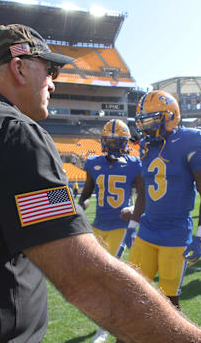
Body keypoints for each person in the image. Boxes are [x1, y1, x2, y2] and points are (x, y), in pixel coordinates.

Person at [0, 23, 201, 343]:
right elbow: (84, 274)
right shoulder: (12, 133)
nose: (53, 83)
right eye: (50, 70)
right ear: (19, 67)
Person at [121, 90, 201, 311]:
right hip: (147, 230)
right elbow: (143, 192)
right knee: (131, 293)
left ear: (171, 116)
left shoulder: (190, 140)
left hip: (175, 234)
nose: (147, 127)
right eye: (143, 122)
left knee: (169, 302)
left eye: (153, 120)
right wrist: (133, 226)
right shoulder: (146, 146)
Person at [78, 118, 144, 343]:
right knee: (95, 277)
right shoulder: (93, 163)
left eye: (117, 142)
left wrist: (134, 208)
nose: (113, 146)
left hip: (120, 227)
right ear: (102, 142)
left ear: (126, 142)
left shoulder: (135, 164)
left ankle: (105, 327)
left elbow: (144, 197)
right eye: (109, 141)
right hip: (98, 226)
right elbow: (86, 194)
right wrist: (81, 205)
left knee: (108, 276)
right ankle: (106, 321)